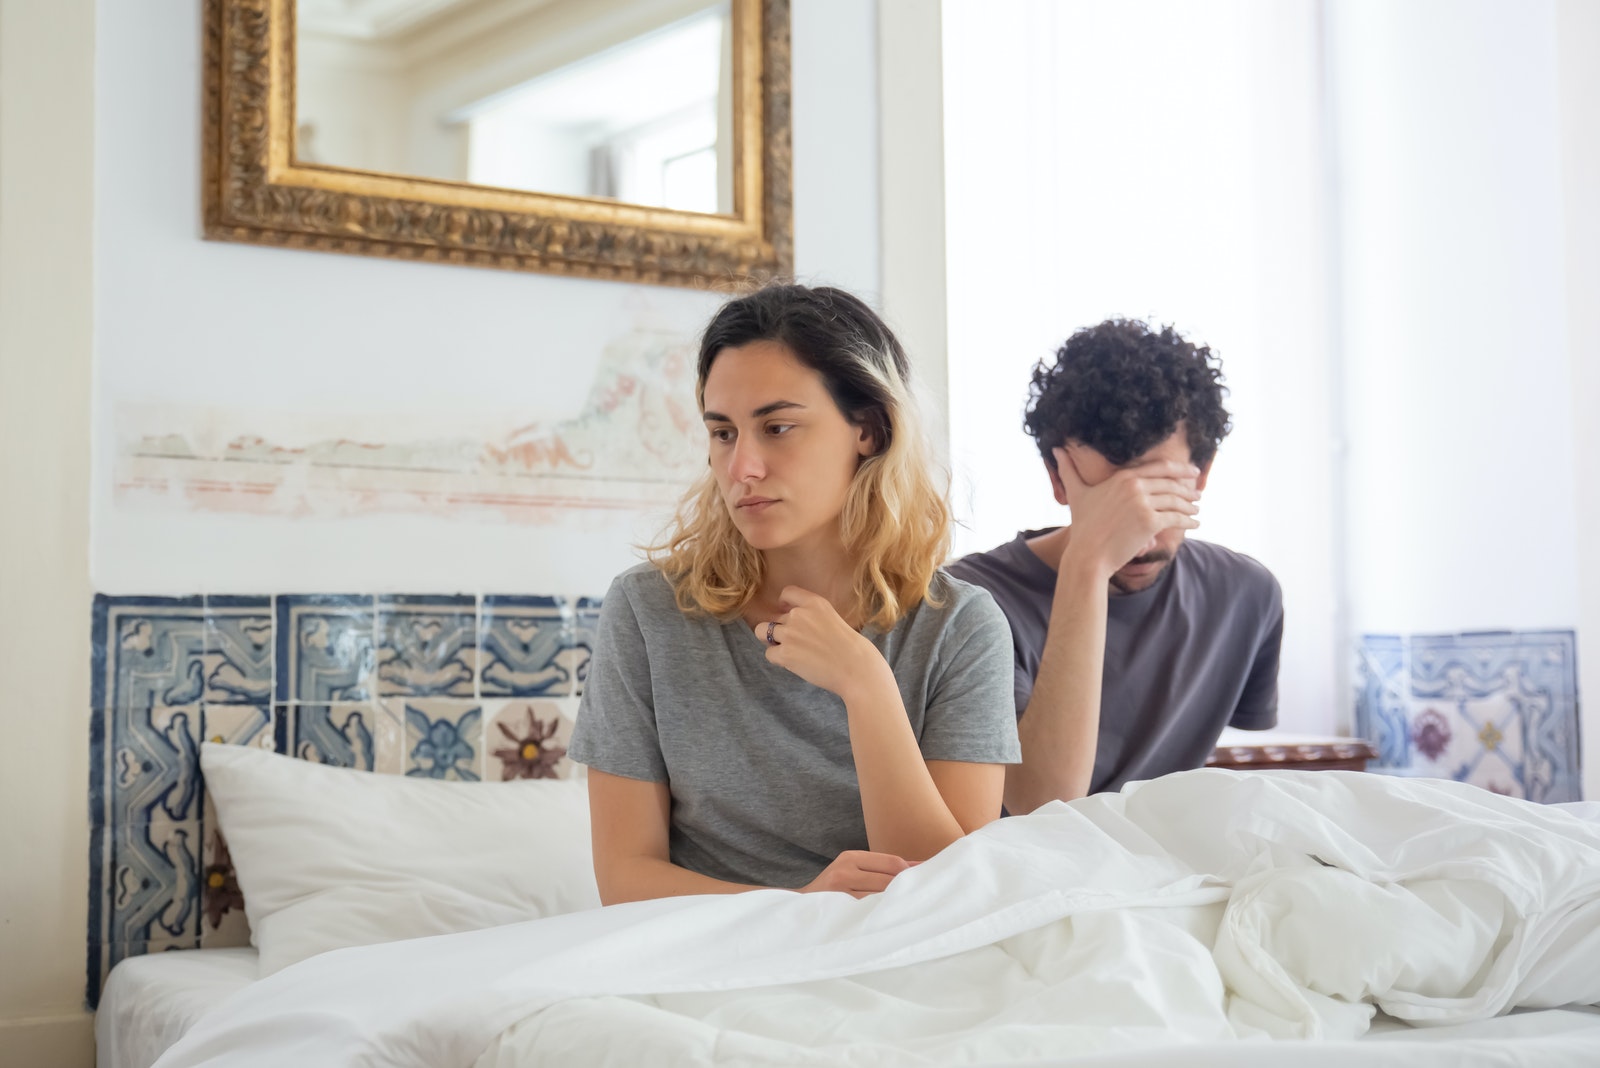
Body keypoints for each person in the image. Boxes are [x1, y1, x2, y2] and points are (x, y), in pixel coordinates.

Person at [569, 283, 1020, 904]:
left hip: (898, 958)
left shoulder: (961, 628)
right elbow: (624, 880)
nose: (742, 467)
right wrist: (801, 906)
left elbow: (952, 891)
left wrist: (865, 684)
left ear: (869, 428)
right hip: (709, 955)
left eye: (777, 427)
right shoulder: (648, 611)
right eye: (723, 433)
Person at [949, 319, 1282, 814]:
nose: (1139, 537)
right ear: (1058, 481)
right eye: (1113, 501)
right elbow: (1041, 802)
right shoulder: (966, 600)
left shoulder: (1246, 594)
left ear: (1202, 474)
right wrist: (1088, 563)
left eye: (1157, 494)